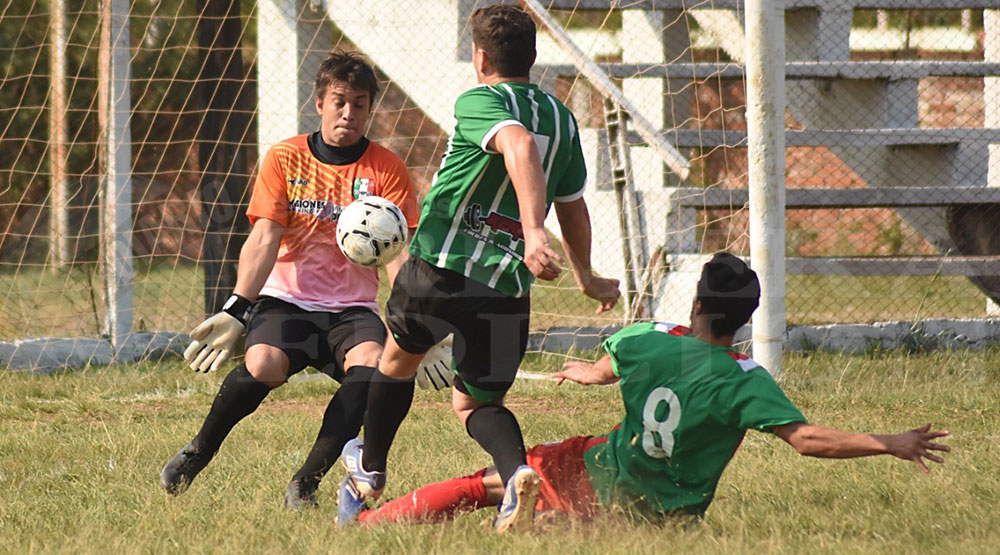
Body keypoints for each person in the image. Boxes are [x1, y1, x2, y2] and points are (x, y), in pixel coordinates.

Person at [348, 252, 951, 527]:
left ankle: (370, 525)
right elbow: (809, 440)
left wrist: (587, 373)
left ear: (694, 303)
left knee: (490, 483)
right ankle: (555, 521)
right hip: (671, 515)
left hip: (605, 476)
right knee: (561, 506)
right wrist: (888, 441)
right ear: (747, 319)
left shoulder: (648, 339)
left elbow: (611, 360)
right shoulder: (747, 382)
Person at [337, 3, 621, 532]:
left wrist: (534, 230)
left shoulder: (480, 100)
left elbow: (516, 145)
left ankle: (370, 467)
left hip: (440, 270)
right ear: (533, 59)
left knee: (397, 361)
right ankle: (515, 478)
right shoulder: (562, 119)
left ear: (480, 56)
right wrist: (585, 274)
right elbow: (574, 202)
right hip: (506, 289)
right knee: (475, 404)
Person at [159, 51, 420, 509]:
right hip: (288, 302)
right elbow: (264, 237)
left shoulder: (387, 170)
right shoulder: (285, 157)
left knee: (374, 371)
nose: (348, 113)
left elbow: (397, 256)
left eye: (359, 103)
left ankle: (306, 482)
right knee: (263, 367)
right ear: (318, 102)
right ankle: (199, 450)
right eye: (339, 101)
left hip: (352, 310)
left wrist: (415, 321)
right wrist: (239, 306)